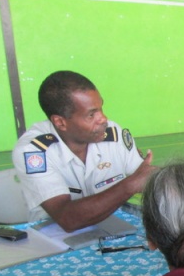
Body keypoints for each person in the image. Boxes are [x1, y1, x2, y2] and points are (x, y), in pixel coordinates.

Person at [12, 70, 156, 232]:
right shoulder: (34, 152)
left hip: (111, 225)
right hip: (54, 235)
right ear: (60, 122)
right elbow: (67, 219)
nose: (103, 119)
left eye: (101, 108)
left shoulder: (113, 134)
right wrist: (129, 185)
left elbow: (145, 178)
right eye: (91, 115)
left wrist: (160, 178)